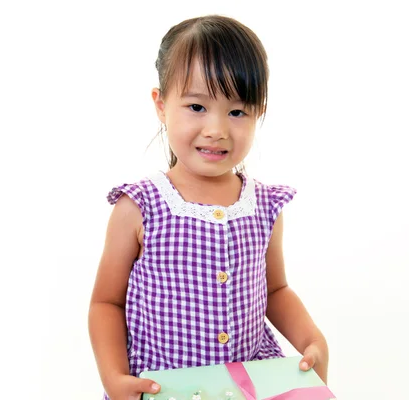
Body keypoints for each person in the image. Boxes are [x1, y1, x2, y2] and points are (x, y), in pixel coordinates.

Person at [88, 14, 329, 400]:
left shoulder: (264, 205)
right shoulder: (140, 206)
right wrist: (114, 377)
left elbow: (277, 289)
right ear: (162, 104)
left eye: (236, 112)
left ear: (259, 111)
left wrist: (312, 339)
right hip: (163, 387)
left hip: (249, 384)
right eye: (197, 107)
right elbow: (106, 302)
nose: (216, 129)